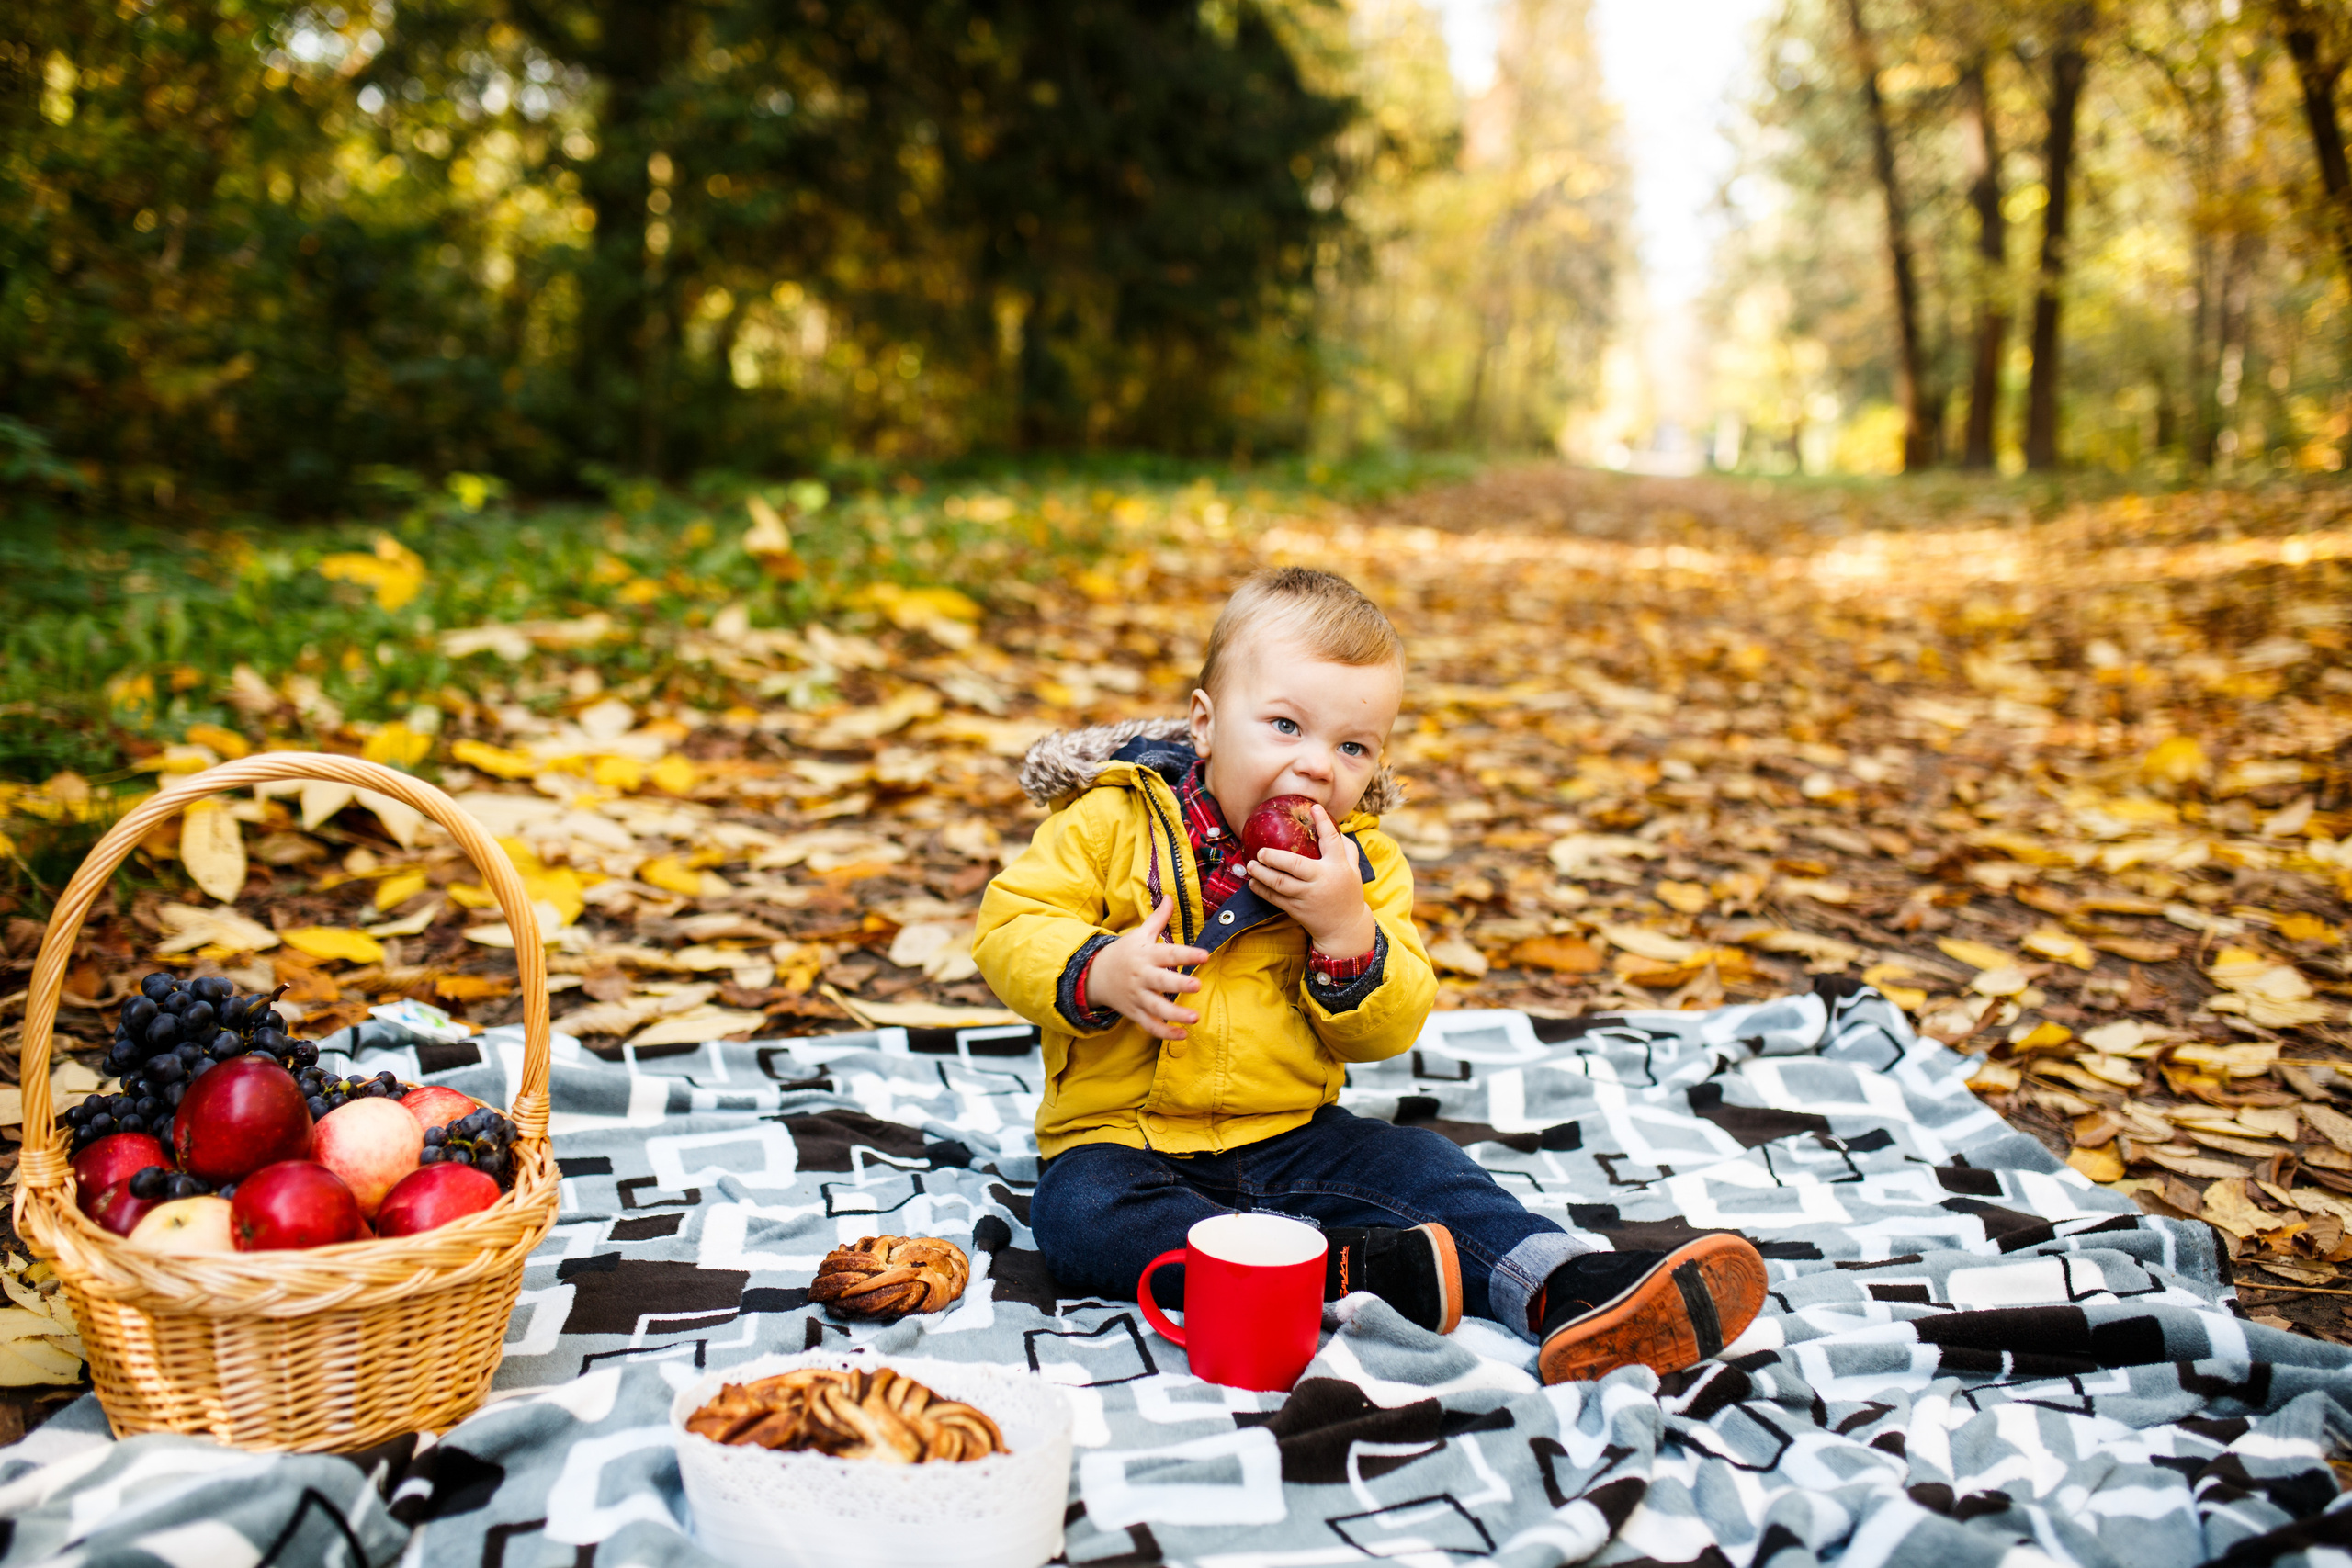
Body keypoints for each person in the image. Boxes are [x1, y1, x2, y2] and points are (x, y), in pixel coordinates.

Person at [974, 567, 1765, 1383]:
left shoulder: (1363, 865)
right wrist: (1101, 969)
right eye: (1285, 725)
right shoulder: (1110, 822)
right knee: (1079, 1220)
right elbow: (1010, 927)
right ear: (1205, 725)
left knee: (1421, 1165)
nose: (1317, 766)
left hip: (1288, 1135)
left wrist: (1346, 929)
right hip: (1123, 1141)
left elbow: (1390, 1027)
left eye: (1352, 747)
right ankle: (1357, 1272)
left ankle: (1565, 1284)